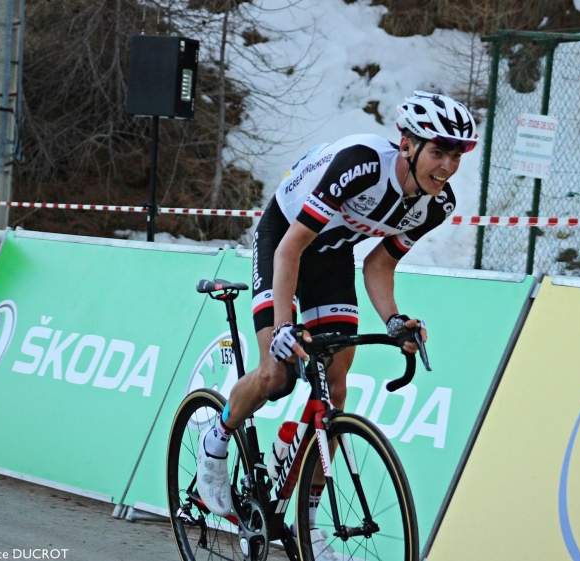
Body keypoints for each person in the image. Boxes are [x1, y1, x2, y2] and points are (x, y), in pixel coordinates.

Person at [196, 91, 477, 557]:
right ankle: (216, 437)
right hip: (284, 243)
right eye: (437, 152)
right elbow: (290, 248)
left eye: (455, 155)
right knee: (277, 373)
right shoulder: (362, 163)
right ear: (407, 144)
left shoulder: (435, 205)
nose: (446, 166)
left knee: (336, 390)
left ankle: (305, 514)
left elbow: (378, 266)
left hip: (331, 260)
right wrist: (284, 326)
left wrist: (394, 320)